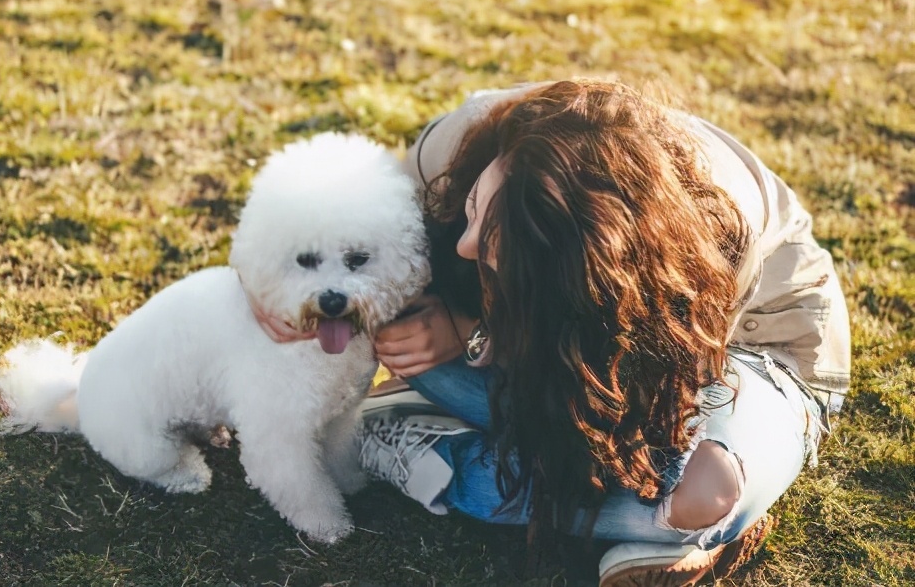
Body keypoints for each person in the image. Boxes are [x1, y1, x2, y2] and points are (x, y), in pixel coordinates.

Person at [253, 80, 851, 586]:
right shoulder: (463, 141)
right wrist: (268, 291)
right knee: (398, 324)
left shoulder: (700, 233)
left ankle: (429, 447)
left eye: (494, 248)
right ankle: (627, 514)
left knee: (703, 491)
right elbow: (336, 229)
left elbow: (636, 398)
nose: (463, 248)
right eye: (473, 212)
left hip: (740, 347)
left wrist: (479, 338)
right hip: (550, 347)